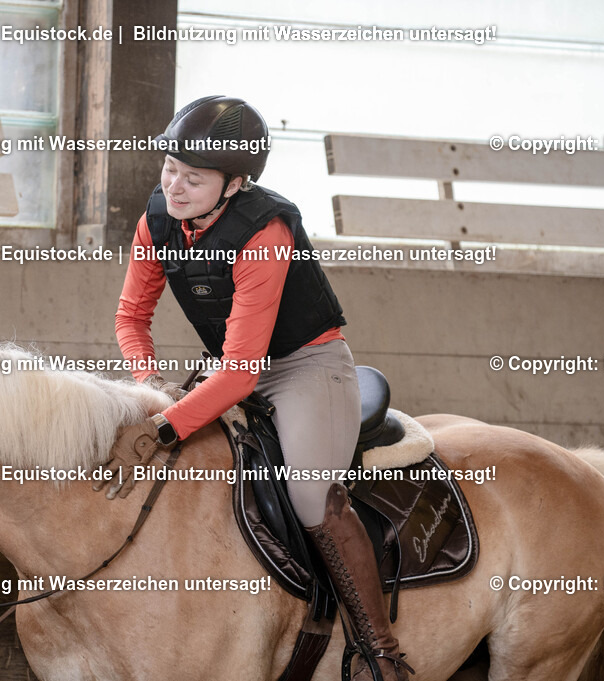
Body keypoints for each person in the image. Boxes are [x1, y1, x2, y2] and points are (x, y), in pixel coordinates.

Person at [98, 96, 412, 681]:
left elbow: (246, 372)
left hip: (304, 368)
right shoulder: (156, 221)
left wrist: (162, 427)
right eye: (170, 168)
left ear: (236, 183)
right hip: (231, 365)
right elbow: (131, 319)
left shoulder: (265, 232)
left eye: (194, 178)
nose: (176, 186)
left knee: (311, 497)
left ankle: (382, 653)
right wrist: (148, 385)